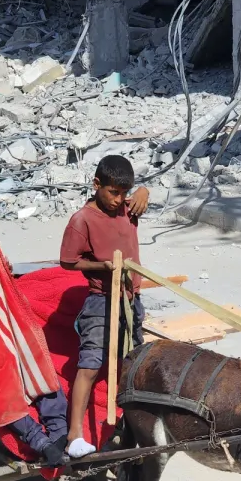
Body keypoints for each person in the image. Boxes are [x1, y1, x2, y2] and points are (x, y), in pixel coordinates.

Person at [59, 155, 147, 458]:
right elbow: (68, 261)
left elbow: (141, 196)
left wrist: (144, 191)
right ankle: (74, 436)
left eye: (124, 193)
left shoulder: (127, 209)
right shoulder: (82, 220)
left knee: (135, 363)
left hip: (132, 301)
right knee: (90, 364)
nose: (118, 199)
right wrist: (102, 266)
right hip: (101, 301)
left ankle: (133, 425)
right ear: (97, 184)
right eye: (113, 192)